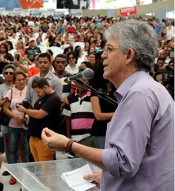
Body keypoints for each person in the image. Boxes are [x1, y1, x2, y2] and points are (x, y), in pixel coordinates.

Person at [41, 19, 174, 190]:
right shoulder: (149, 89)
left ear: (129, 55)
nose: (102, 55)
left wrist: (68, 145)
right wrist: (106, 178)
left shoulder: (139, 94)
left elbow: (123, 163)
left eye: (109, 49)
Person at [17, 77, 61, 162]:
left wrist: (24, 110)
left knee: (46, 169)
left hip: (44, 139)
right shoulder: (43, 96)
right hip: (34, 136)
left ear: (45, 87)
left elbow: (40, 114)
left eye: (38, 92)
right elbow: (35, 111)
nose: (37, 94)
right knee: (38, 167)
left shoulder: (53, 98)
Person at [3, 71, 29, 185]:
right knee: (12, 149)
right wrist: (15, 116)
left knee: (27, 150)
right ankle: (14, 174)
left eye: (23, 79)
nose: (21, 81)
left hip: (27, 123)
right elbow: (5, 108)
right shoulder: (10, 92)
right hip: (14, 124)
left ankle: (28, 173)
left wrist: (26, 115)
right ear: (14, 81)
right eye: (18, 79)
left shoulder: (30, 91)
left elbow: (34, 105)